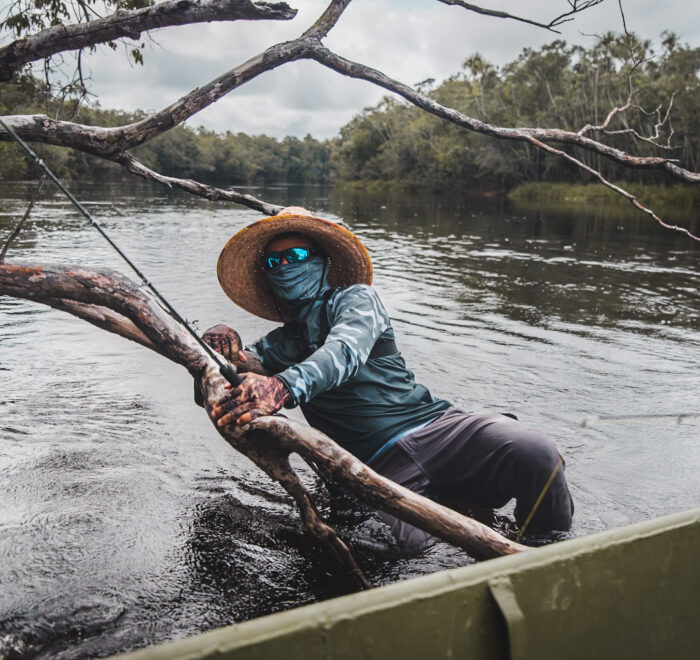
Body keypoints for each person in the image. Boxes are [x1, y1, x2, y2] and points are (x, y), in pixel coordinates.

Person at [204, 207, 574, 553]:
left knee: (537, 454)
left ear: (321, 261)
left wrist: (281, 387)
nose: (286, 265)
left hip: (438, 430)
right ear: (269, 276)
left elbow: (345, 352)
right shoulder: (276, 346)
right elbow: (226, 380)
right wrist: (218, 347)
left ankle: (546, 552)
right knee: (414, 552)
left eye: (296, 256)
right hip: (375, 467)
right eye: (275, 261)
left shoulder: (357, 300)